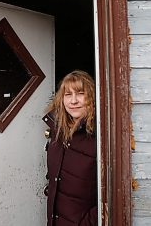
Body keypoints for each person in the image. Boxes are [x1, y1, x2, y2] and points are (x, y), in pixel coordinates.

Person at [42, 70, 97, 226]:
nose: (73, 101)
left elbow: (109, 191)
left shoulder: (99, 137)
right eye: (68, 94)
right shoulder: (58, 132)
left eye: (80, 93)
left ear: (92, 97)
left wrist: (88, 223)